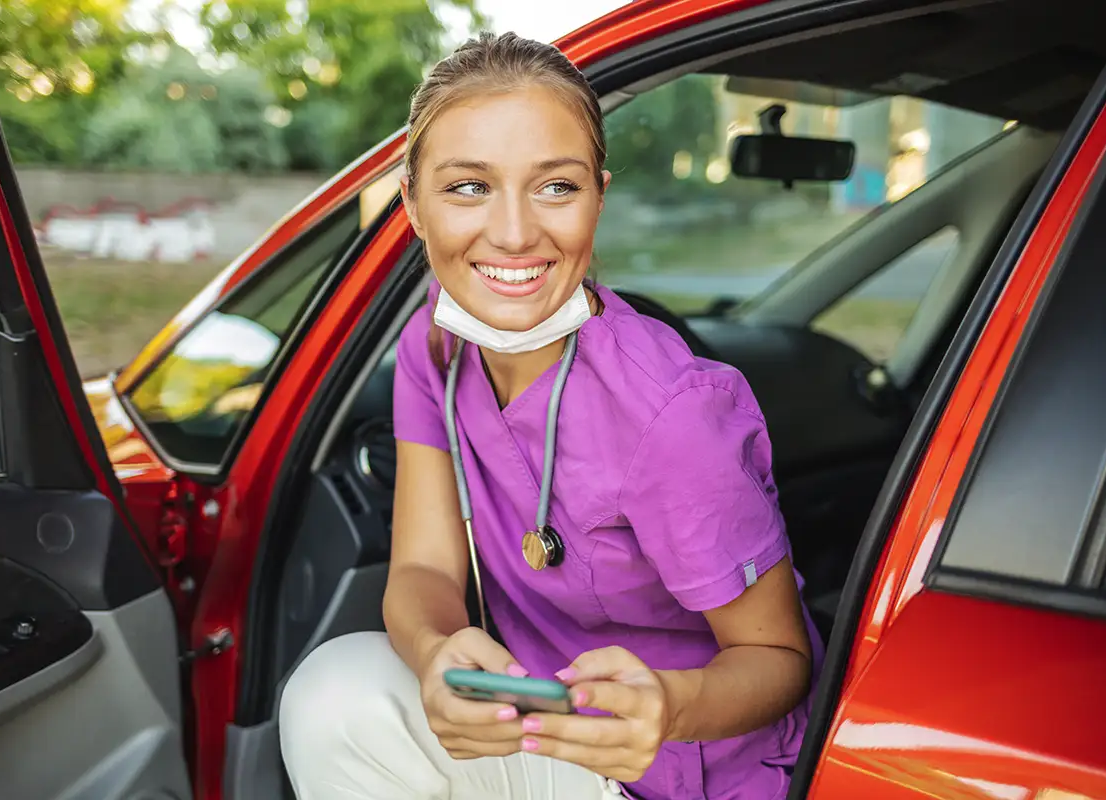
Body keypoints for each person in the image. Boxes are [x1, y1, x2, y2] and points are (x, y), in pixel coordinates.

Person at [279, 31, 823, 800]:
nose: (513, 233)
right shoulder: (431, 348)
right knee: (333, 695)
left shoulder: (674, 413)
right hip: (545, 738)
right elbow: (426, 569)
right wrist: (437, 653)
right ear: (412, 206)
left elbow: (780, 662)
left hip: (682, 772)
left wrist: (667, 706)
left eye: (555, 187)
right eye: (469, 186)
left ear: (599, 195)